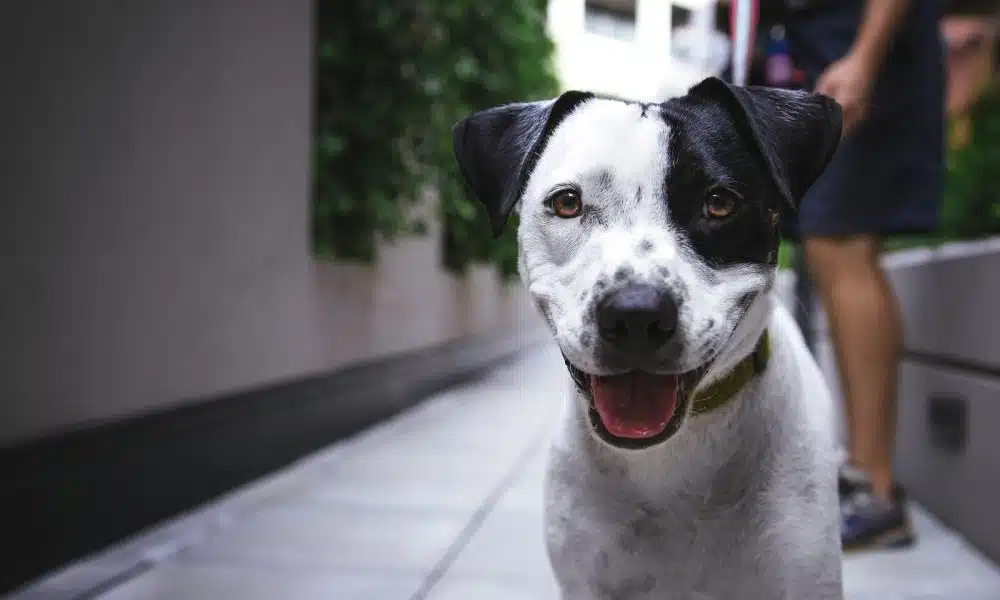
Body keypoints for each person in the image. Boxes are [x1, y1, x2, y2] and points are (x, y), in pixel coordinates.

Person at [773, 0, 945, 552]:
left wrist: (865, 57)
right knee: (826, 247)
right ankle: (859, 481)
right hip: (821, 46)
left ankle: (876, 492)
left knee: (842, 240)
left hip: (859, 44)